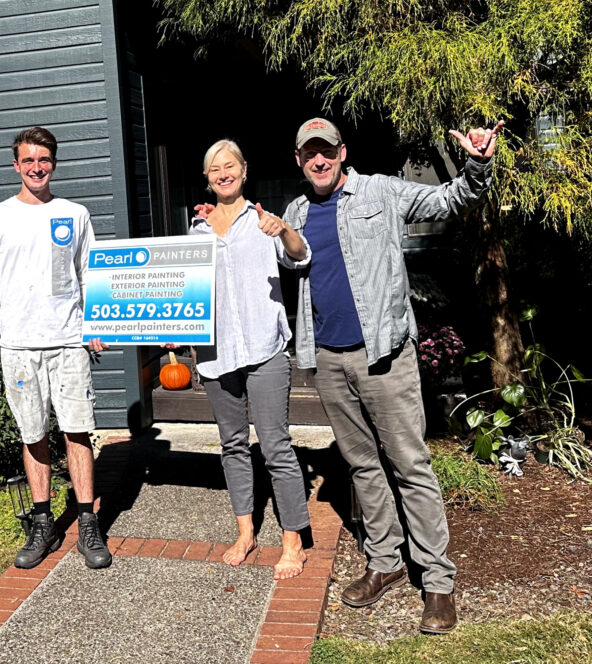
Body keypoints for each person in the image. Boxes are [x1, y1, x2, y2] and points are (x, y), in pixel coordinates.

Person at [282, 116, 503, 633]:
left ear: (341, 153)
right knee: (362, 466)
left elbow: (451, 199)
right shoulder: (294, 212)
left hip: (383, 356)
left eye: (327, 150)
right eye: (309, 153)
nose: (319, 159)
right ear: (299, 160)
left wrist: (478, 164)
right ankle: (385, 562)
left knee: (410, 465)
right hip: (330, 360)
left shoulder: (380, 191)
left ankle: (437, 582)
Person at [0, 126, 113, 570]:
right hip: (19, 347)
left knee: (77, 431)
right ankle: (43, 523)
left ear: (54, 163)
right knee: (33, 435)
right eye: (27, 160)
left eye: (43, 160)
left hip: (68, 342)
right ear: (16, 166)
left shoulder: (75, 213)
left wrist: (96, 324)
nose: (36, 167)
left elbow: (91, 274)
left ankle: (87, 523)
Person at [189, 139, 311, 579]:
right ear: (207, 179)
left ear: (244, 170)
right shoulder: (197, 232)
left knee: (277, 447)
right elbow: (183, 294)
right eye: (214, 169)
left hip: (264, 349)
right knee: (233, 446)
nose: (222, 173)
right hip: (216, 355)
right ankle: (245, 533)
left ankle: (293, 541)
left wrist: (284, 231)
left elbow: (301, 256)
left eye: (230, 166)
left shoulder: (263, 221)